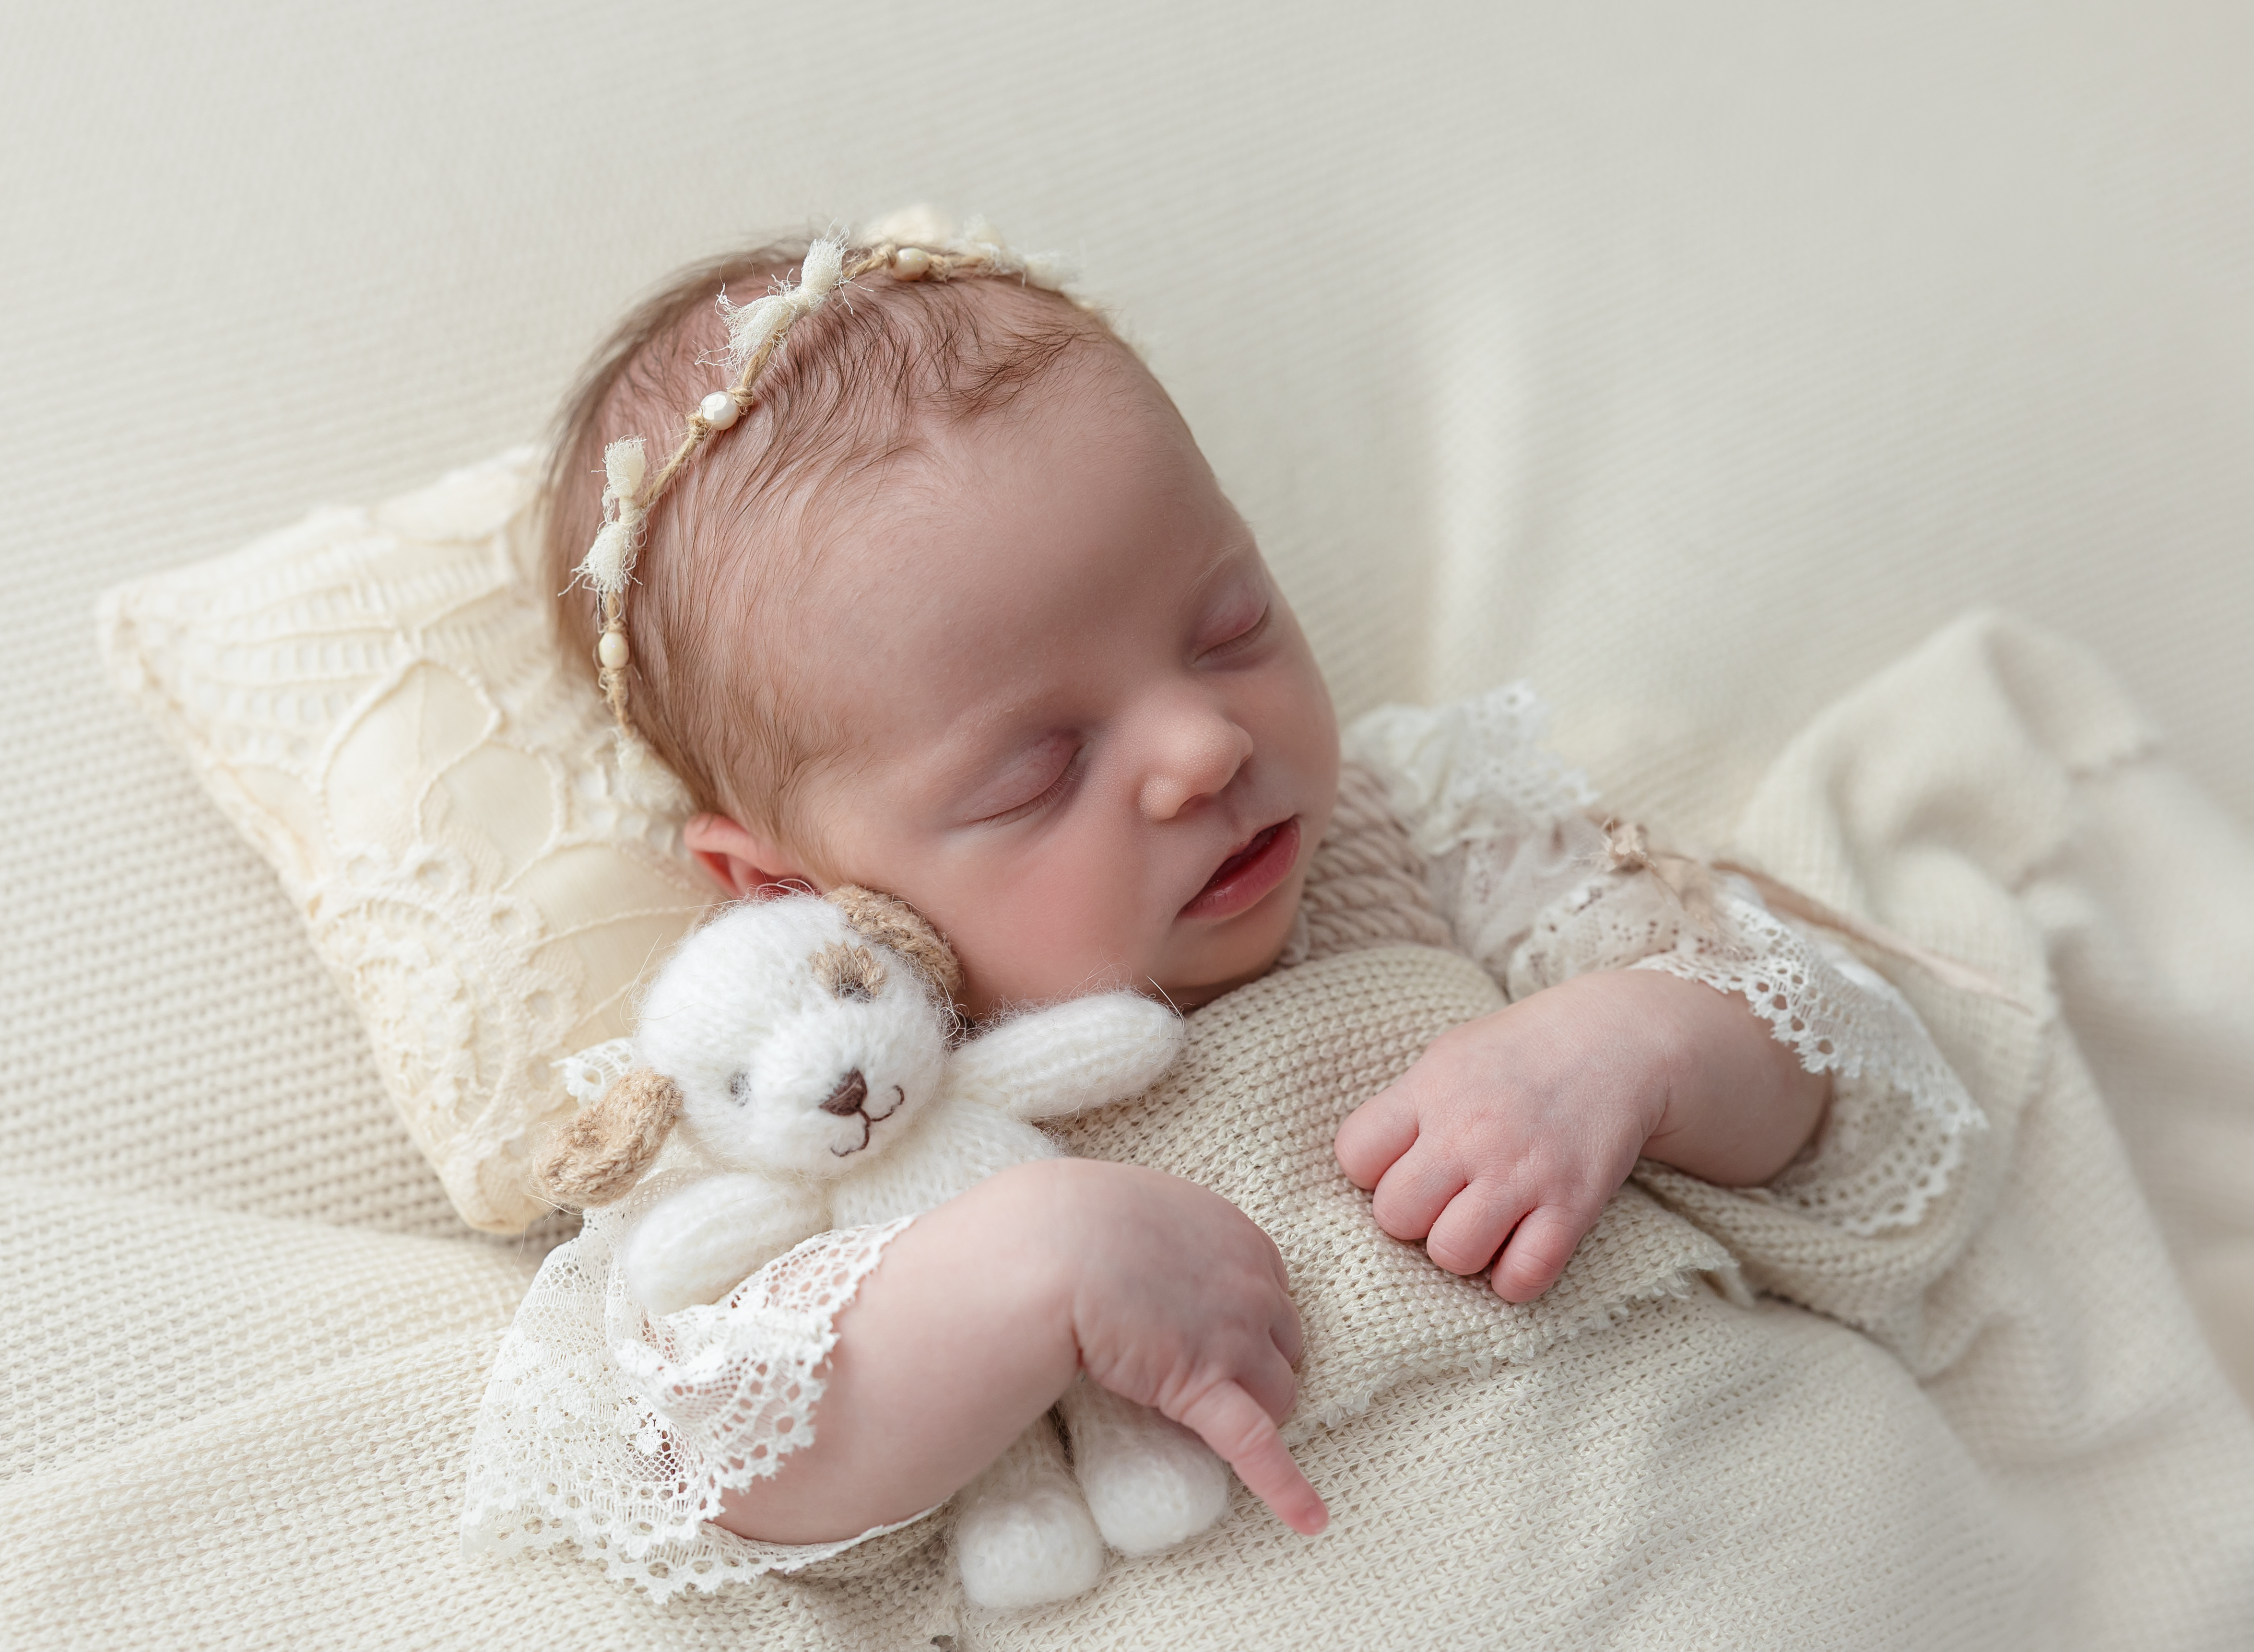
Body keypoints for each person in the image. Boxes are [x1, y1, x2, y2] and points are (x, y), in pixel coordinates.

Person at [461, 217, 1996, 1645]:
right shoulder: (811, 1119)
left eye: (1228, 628)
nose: (1199, 746)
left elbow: (1859, 1131)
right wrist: (1014, 1273)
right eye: (1038, 769)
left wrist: (1644, 1047)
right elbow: (715, 1458)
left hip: (1771, 1531)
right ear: (792, 893)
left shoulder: (1428, 840)